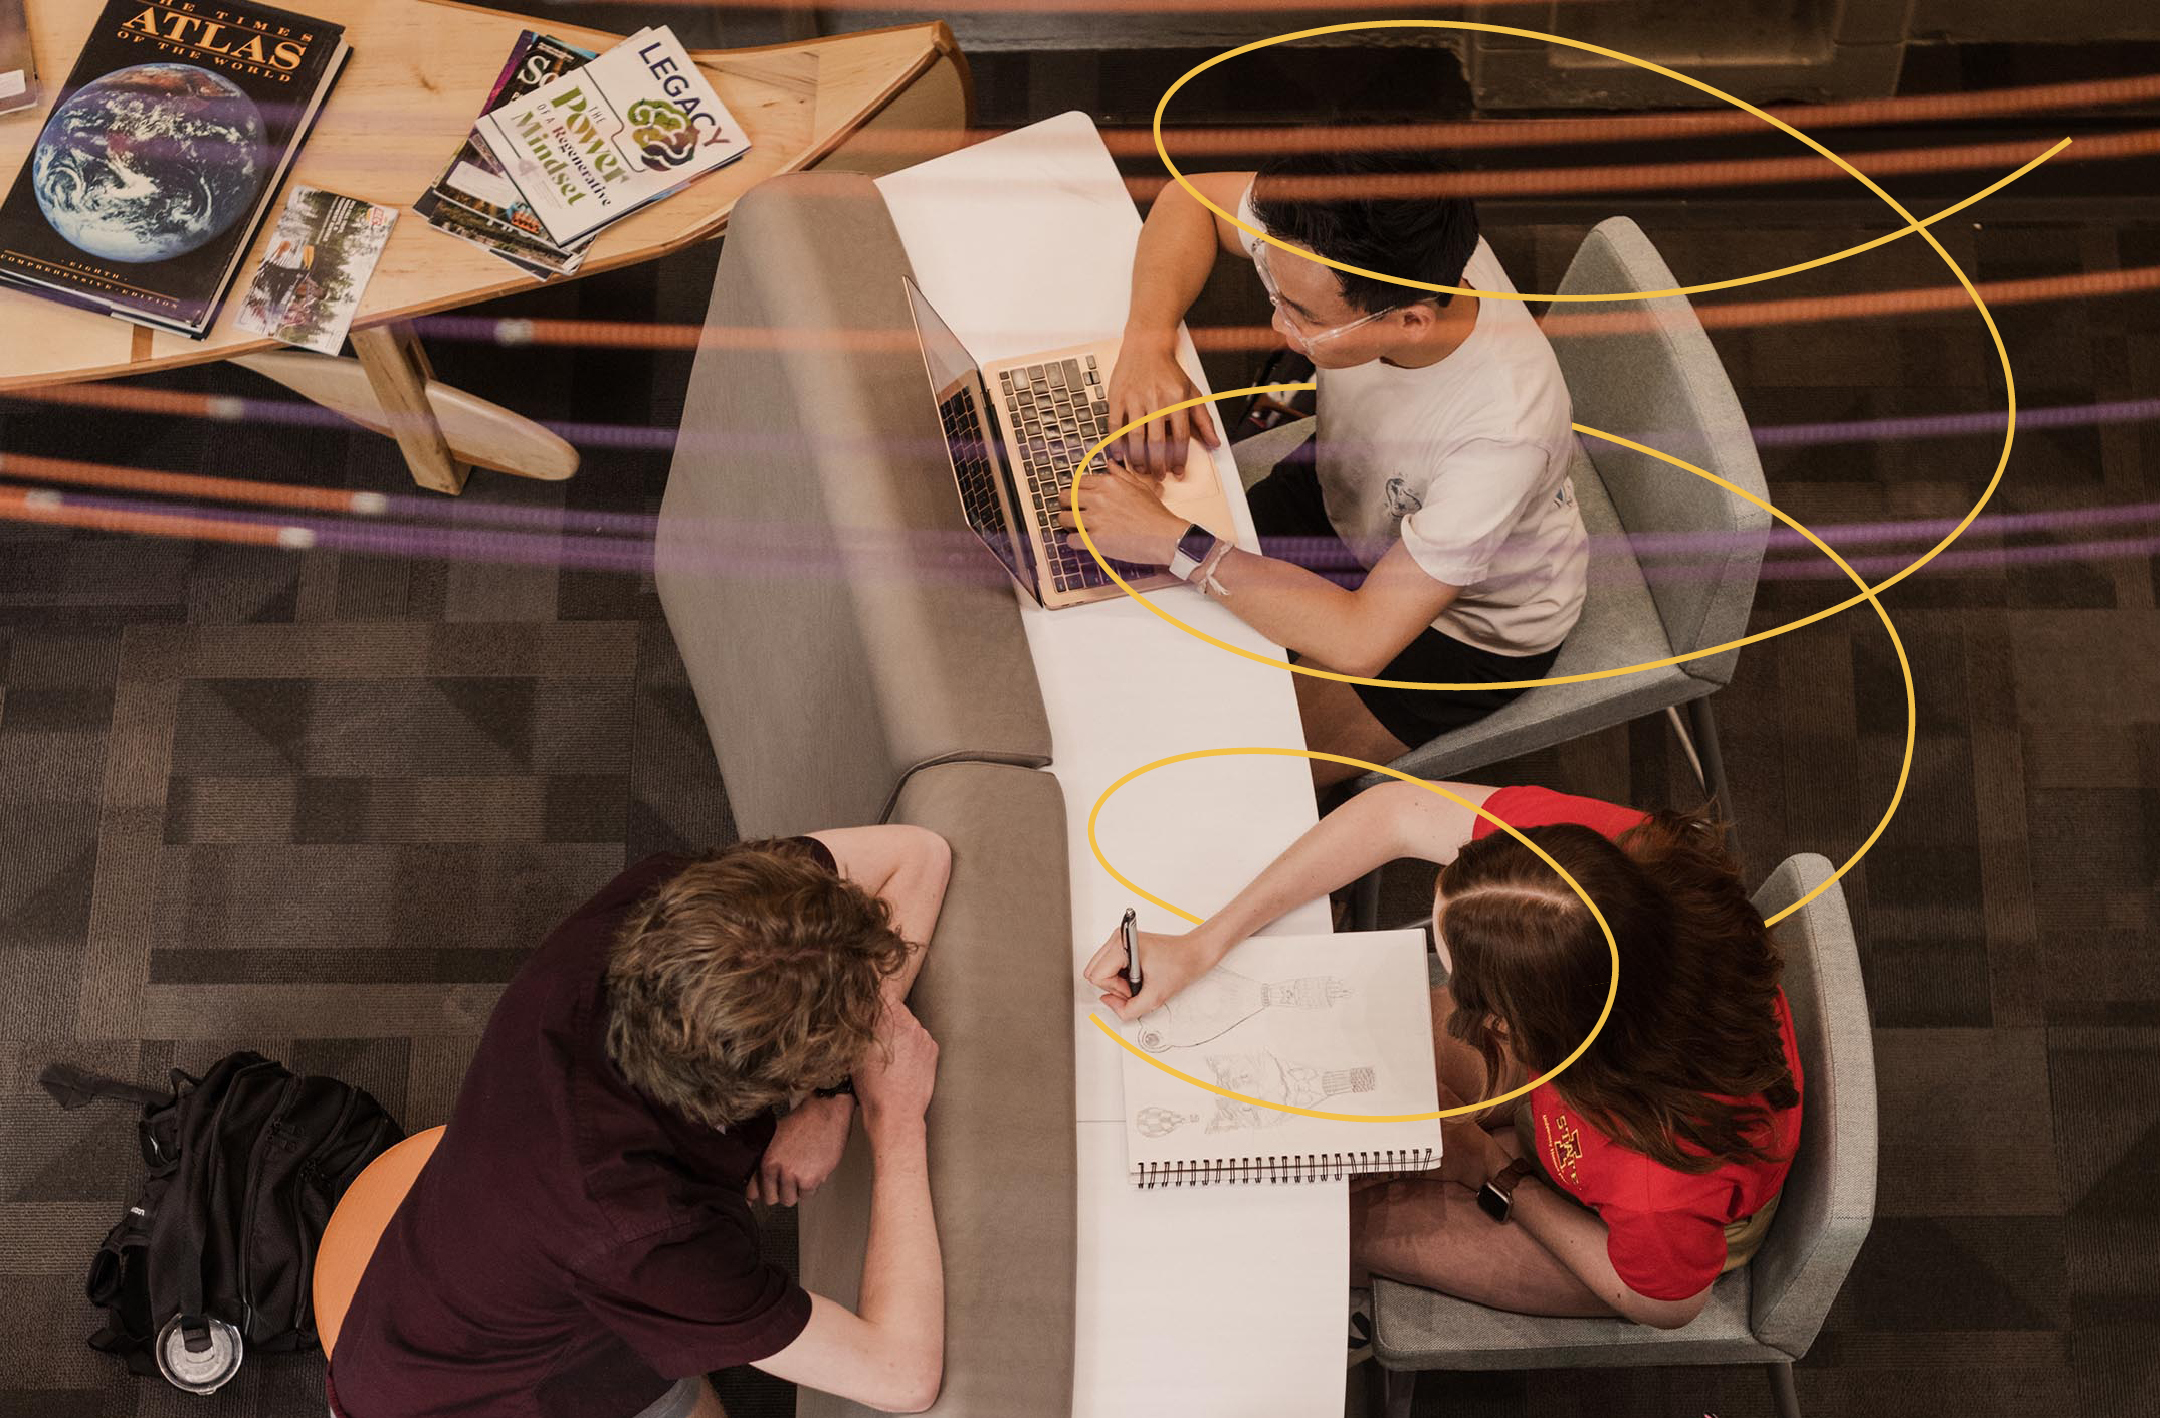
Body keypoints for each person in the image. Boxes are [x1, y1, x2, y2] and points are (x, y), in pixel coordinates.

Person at [1083, 784, 1800, 1329]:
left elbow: (1660, 1299)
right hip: (1594, 1062)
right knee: (1314, 1122)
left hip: (1629, 1228)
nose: (1438, 972)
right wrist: (1207, 943)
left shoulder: (1659, 1173)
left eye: (1452, 969)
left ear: (1516, 1027)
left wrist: (1498, 1173)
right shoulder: (1582, 868)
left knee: (1319, 1229)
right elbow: (1392, 813)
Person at [331, 828, 954, 1418]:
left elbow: (919, 854)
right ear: (754, 1090)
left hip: (463, 1275)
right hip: (480, 1399)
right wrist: (892, 1115)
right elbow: (903, 1375)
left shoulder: (674, 910)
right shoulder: (647, 1233)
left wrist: (831, 1089)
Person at [1061, 149, 1588, 787]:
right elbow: (1190, 201)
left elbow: (1361, 640)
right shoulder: (1366, 238)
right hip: (1343, 494)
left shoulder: (1501, 439)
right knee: (1112, 628)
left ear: (1412, 321)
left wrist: (1175, 541)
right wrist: (1149, 341)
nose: (1277, 327)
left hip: (1461, 628)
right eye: (1278, 294)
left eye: (1305, 316)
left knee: (1229, 775)